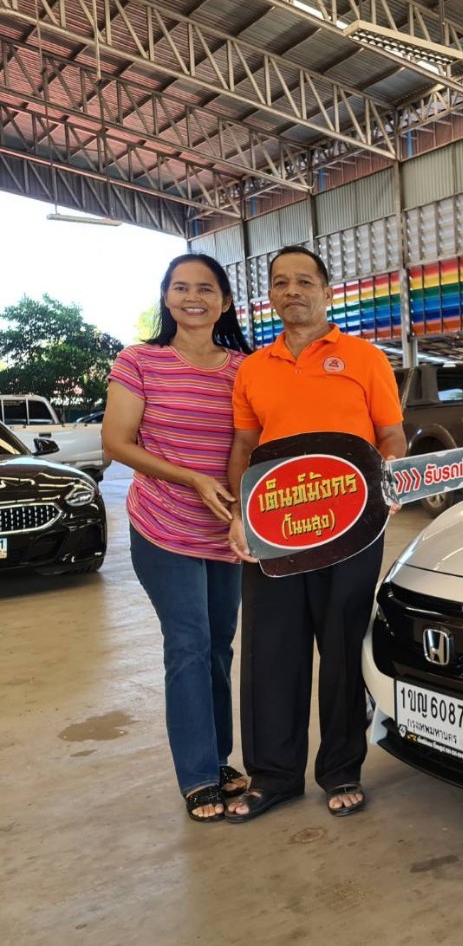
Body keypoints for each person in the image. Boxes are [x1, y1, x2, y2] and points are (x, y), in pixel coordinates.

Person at [225, 246, 405, 823]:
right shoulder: (254, 368)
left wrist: (390, 480)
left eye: (304, 281)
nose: (292, 291)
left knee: (342, 647)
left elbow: (391, 436)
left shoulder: (364, 358)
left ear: (327, 291)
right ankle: (273, 776)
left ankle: (341, 769)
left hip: (352, 528)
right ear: (270, 296)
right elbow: (245, 447)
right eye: (281, 283)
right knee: (270, 650)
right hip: (275, 528)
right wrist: (241, 513)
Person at [102, 253, 253, 823]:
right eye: (181, 287)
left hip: (226, 530)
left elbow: (253, 445)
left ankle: (219, 758)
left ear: (225, 302)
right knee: (188, 643)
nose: (193, 298)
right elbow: (117, 442)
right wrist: (191, 478)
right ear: (166, 297)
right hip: (163, 527)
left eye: (206, 288)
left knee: (219, 645)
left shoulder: (244, 369)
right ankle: (197, 776)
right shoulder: (140, 361)